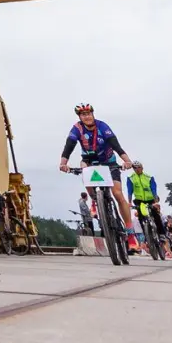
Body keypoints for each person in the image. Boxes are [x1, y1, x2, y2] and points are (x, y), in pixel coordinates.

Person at [58, 103, 135, 240]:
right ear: (79, 117)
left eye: (88, 113)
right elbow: (69, 146)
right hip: (90, 160)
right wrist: (63, 163)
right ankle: (94, 201)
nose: (86, 116)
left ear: (93, 114)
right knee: (84, 167)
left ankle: (130, 230)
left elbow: (116, 145)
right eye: (83, 114)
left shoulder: (102, 126)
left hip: (108, 161)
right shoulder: (77, 128)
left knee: (117, 194)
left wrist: (127, 161)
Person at [125, 160, 165, 247]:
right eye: (134, 168)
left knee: (156, 216)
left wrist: (156, 202)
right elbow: (129, 191)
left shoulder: (149, 177)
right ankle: (147, 236)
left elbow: (154, 190)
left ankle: (161, 234)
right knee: (140, 218)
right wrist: (129, 202)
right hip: (139, 200)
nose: (137, 169)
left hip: (150, 199)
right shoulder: (131, 178)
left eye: (139, 167)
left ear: (142, 168)